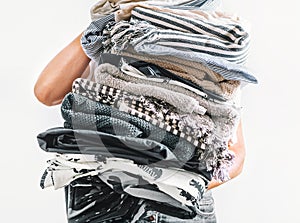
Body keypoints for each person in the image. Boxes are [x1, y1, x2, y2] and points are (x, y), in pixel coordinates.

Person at [34, 32, 246, 222]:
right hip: (103, 197)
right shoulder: (112, 39)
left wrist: (169, 182)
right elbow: (46, 92)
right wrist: (100, 26)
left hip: (173, 203)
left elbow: (233, 154)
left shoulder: (207, 55)